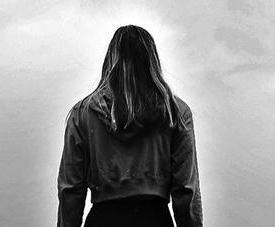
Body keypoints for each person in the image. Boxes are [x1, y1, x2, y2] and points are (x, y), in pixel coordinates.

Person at [57, 25, 203, 227]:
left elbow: (70, 191)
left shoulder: (82, 114)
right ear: (152, 62)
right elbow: (186, 190)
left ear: (110, 61)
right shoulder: (175, 113)